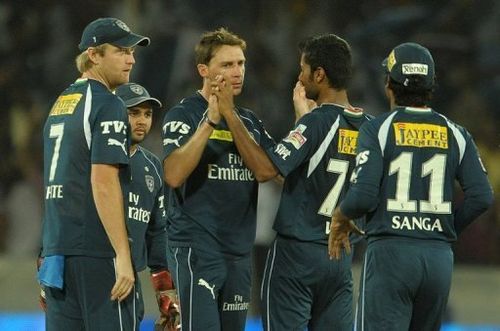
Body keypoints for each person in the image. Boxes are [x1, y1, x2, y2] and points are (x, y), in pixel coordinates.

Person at [328, 42, 494, 331]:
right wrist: (445, 230)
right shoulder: (456, 133)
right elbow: (481, 197)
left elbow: (363, 197)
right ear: (431, 85)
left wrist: (340, 216)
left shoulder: (377, 129)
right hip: (437, 259)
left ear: (388, 85)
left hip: (391, 254)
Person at [212, 33, 370, 331]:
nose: (300, 76)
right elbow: (309, 174)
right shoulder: (371, 128)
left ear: (319, 74)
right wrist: (302, 119)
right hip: (340, 259)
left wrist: (230, 114)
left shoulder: (317, 122)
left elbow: (265, 170)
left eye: (304, 69)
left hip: (297, 256)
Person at [39, 17, 150, 330]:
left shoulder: (61, 103)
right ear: (94, 54)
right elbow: (102, 181)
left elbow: (56, 178)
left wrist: (47, 251)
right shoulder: (108, 104)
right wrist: (123, 256)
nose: (130, 59)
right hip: (97, 251)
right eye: (120, 50)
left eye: (132, 52)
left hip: (59, 251)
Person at [161, 28, 275, 330]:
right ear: (203, 70)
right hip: (196, 251)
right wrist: (211, 120)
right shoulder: (183, 115)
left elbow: (267, 171)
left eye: (240, 63)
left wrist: (230, 115)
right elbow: (173, 174)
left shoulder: (250, 121)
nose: (237, 72)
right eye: (226, 65)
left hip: (238, 254)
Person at [115, 82, 180, 330]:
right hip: (90, 271)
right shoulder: (93, 159)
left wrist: (168, 302)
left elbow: (157, 236)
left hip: (129, 282)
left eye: (147, 114)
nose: (142, 121)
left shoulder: (152, 167)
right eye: (133, 113)